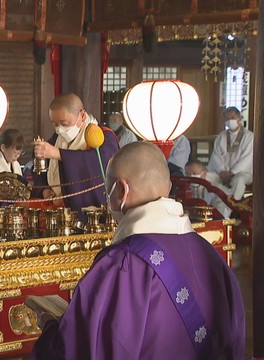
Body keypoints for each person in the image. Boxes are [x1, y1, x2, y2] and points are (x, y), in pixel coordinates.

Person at [32, 142, 245, 359]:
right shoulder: (210, 256)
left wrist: (50, 329)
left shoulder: (121, 265)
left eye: (108, 192)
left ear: (122, 189)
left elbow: (80, 349)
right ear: (168, 188)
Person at [32, 93, 118, 220]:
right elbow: (41, 169)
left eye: (64, 123)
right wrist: (45, 191)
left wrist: (59, 154)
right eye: (55, 124)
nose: (59, 129)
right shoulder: (58, 138)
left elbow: (102, 164)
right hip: (56, 210)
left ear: (82, 115)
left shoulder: (102, 136)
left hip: (89, 215)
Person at [207, 107, 253, 201]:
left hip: (242, 173)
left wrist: (233, 172)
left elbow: (247, 158)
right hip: (222, 172)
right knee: (206, 177)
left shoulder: (249, 136)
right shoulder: (221, 136)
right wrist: (221, 171)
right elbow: (216, 155)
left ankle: (232, 205)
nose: (230, 121)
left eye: (232, 117)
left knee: (239, 180)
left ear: (239, 118)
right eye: (227, 119)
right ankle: (210, 203)